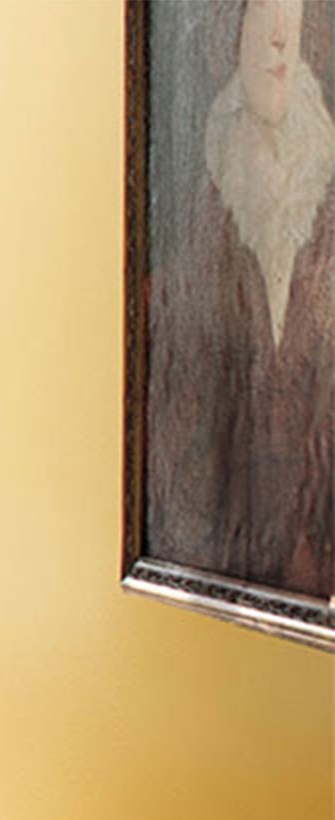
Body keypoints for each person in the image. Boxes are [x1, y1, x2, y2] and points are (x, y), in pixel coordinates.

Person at [149, 0, 335, 600]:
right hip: (212, 572)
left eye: (296, 10)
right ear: (228, 25)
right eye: (263, 11)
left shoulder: (323, 180)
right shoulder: (193, 189)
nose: (281, 36)